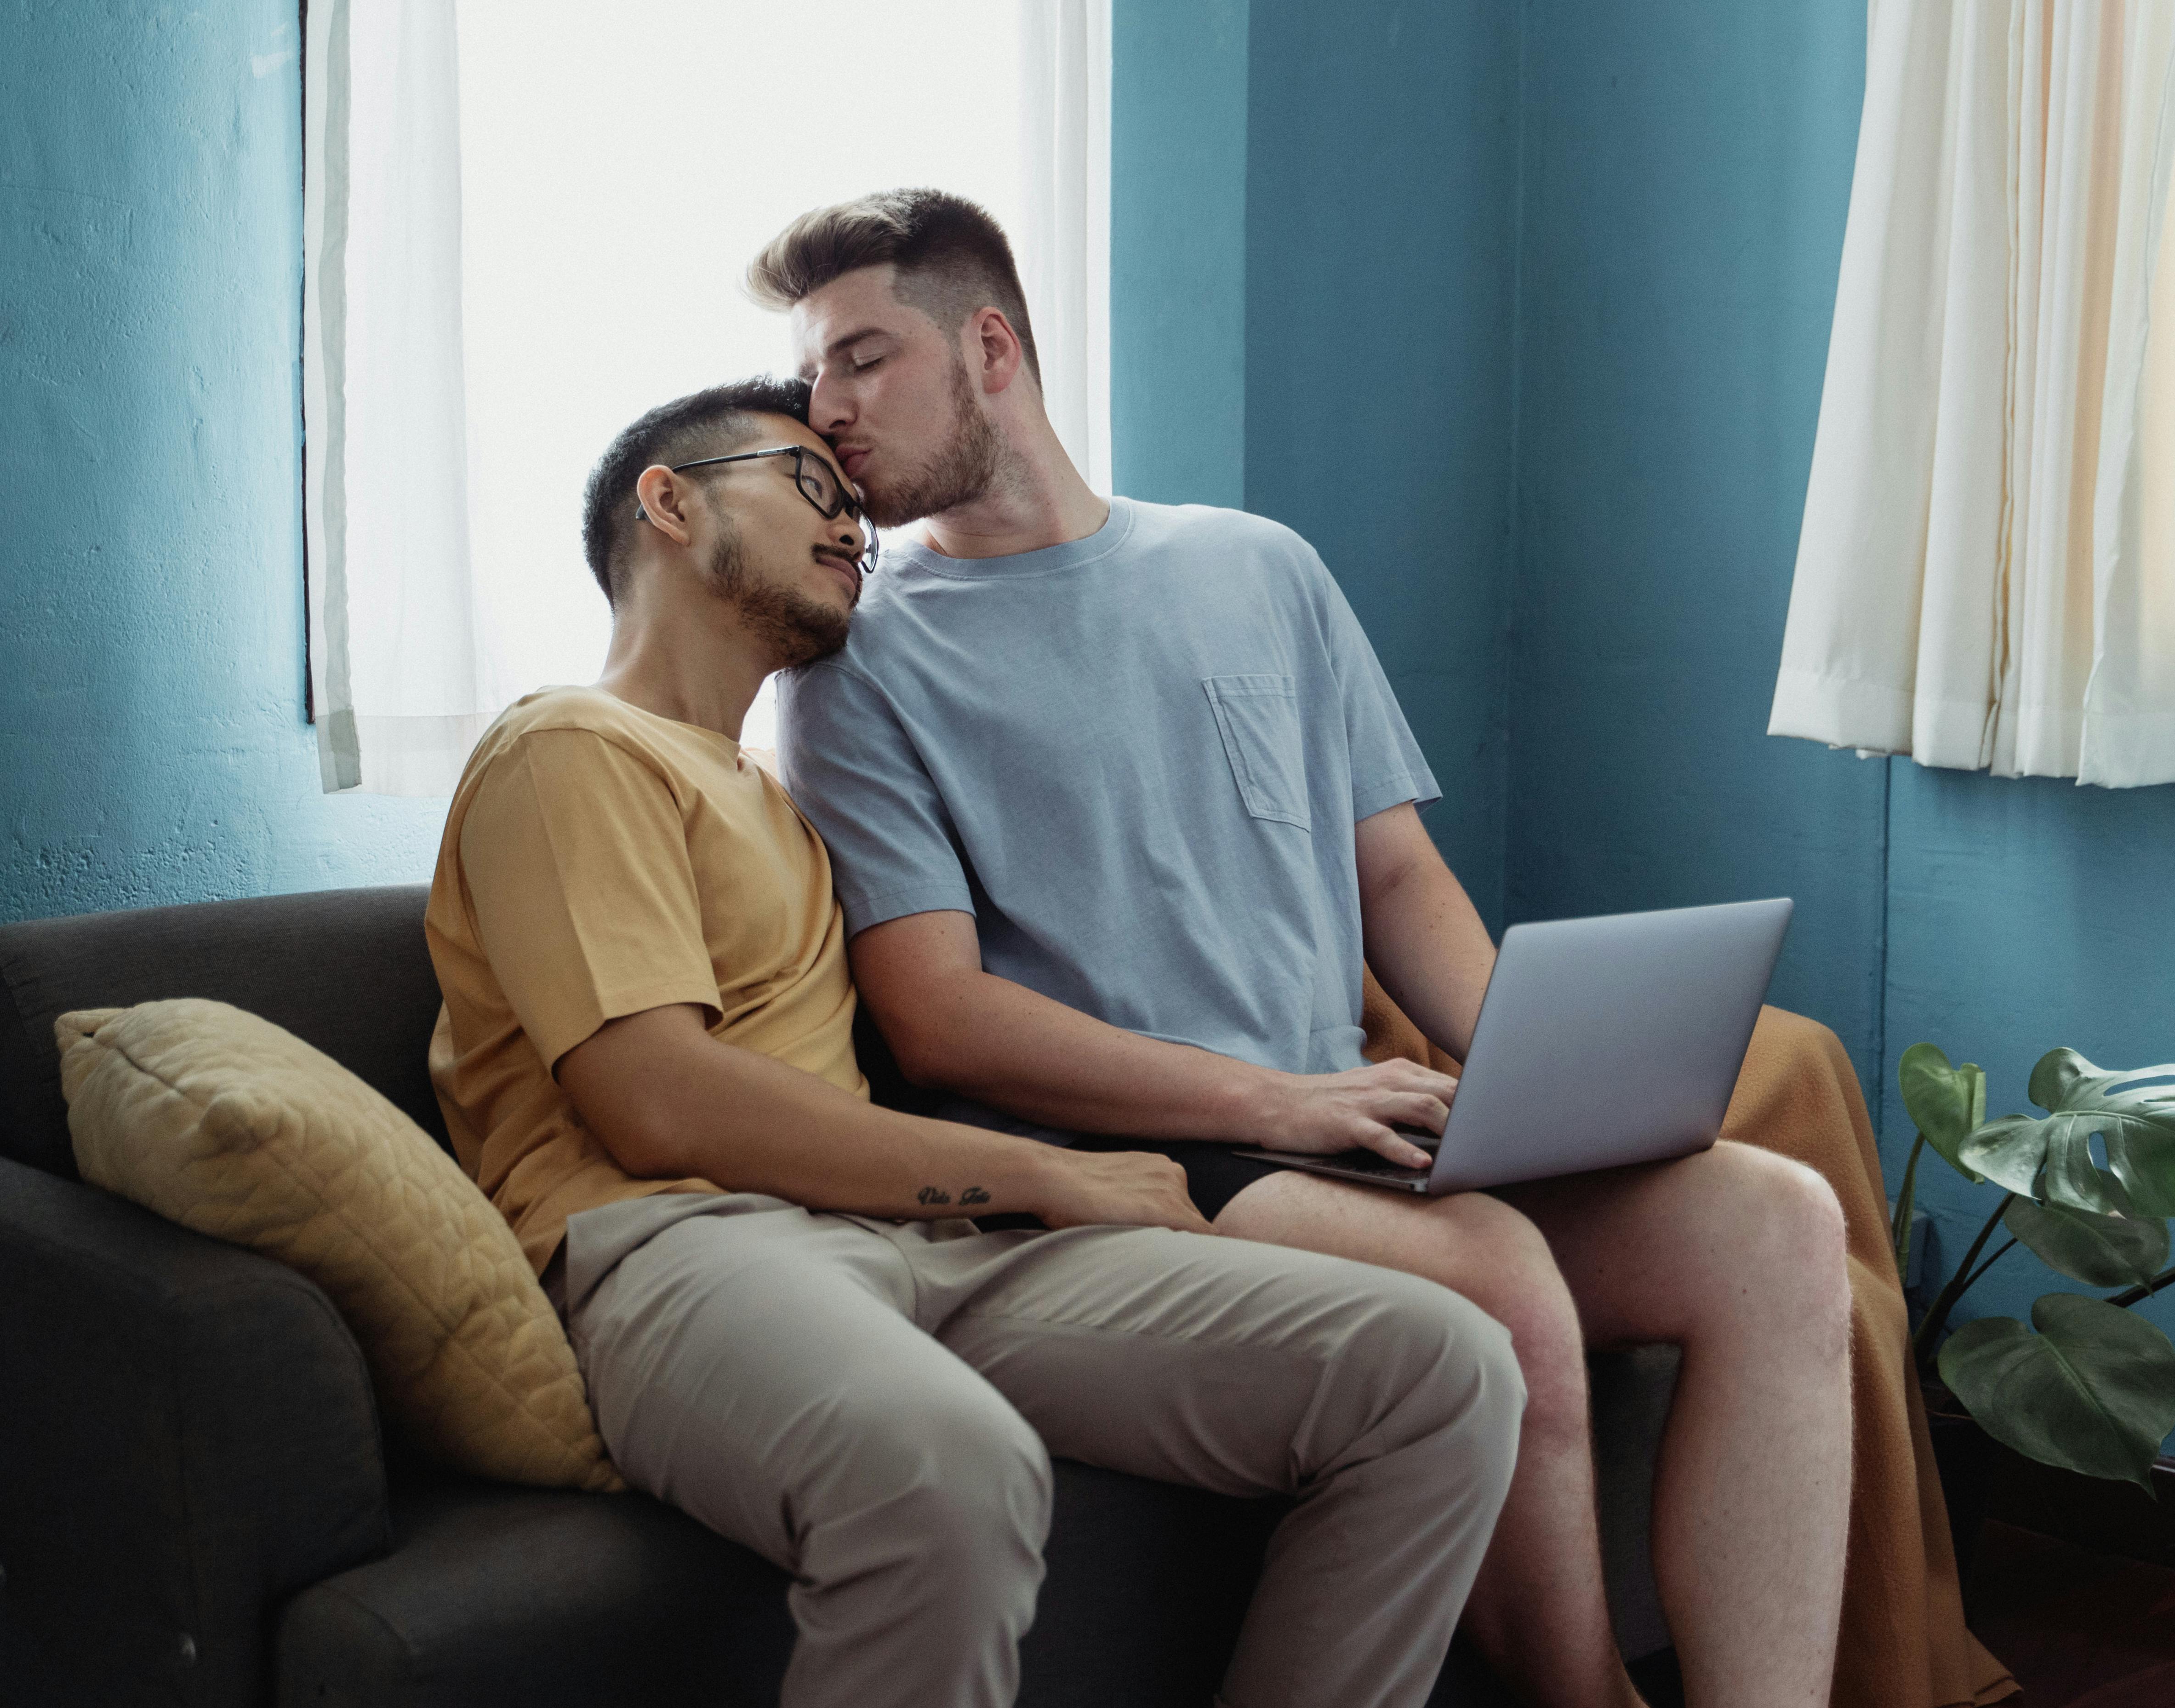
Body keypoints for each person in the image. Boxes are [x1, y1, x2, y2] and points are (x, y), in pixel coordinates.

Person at [759, 190, 1859, 1708]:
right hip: (1141, 1159)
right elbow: (940, 1021)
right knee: (1504, 1287)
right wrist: (1275, 1104)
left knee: (1777, 1221)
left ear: (990, 345)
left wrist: (1524, 1074)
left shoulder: (1255, 564)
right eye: (815, 377)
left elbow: (1394, 868)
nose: (827, 412)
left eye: (861, 359)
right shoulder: (854, 667)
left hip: (1343, 1121)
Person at [421, 376, 1529, 1708]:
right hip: (677, 1245)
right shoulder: (569, 747)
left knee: (1439, 1366)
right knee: (949, 1465)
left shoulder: (774, 799)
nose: (852, 528)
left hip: (910, 1243)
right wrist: (1047, 1176)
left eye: (858, 509)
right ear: (667, 501)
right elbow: (660, 1102)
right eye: (808, 486)